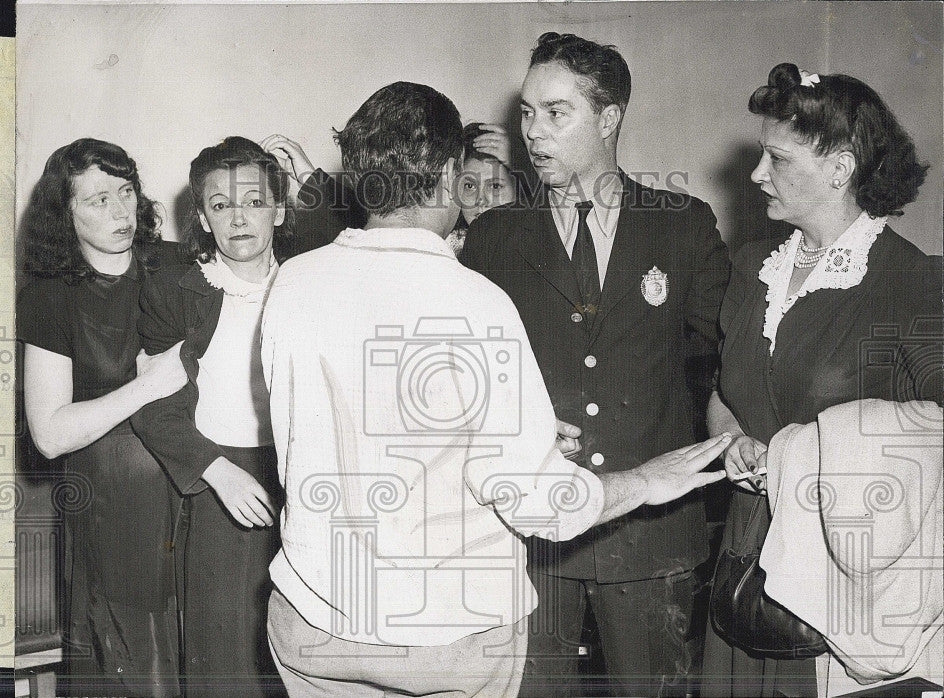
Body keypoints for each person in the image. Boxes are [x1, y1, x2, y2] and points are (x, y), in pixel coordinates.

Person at [260, 80, 731, 698]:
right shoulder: (474, 300)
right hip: (445, 635)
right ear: (451, 174)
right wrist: (646, 481)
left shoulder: (294, 282)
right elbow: (539, 502)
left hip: (313, 621)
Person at [461, 33, 730, 696]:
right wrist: (514, 420)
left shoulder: (681, 225)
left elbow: (738, 347)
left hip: (651, 538)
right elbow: (457, 374)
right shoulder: (496, 235)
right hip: (534, 535)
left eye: (556, 113)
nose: (533, 131)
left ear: (608, 120)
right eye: (526, 112)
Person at [701, 63, 943, 698]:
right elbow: (725, 393)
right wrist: (733, 443)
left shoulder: (912, 283)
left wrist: (815, 455)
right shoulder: (753, 266)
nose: (756, 174)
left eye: (777, 158)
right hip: (744, 564)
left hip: (847, 587)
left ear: (842, 168)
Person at [130, 135, 348, 697]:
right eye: (221, 206)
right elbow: (153, 403)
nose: (239, 219)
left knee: (313, 650)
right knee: (225, 659)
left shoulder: (313, 277)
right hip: (217, 484)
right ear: (202, 217)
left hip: (306, 481)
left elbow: (353, 234)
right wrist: (215, 470)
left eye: (254, 201)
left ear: (279, 210)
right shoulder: (179, 289)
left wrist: (313, 182)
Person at [17, 138, 187, 697]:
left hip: (196, 490)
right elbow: (48, 434)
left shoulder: (174, 264)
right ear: (64, 215)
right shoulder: (49, 297)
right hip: (112, 504)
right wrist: (145, 387)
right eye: (96, 201)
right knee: (136, 666)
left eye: (125, 192)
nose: (119, 212)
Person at [447, 122, 518, 256]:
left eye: (495, 186)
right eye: (469, 186)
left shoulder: (538, 245)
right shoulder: (446, 250)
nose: (480, 200)